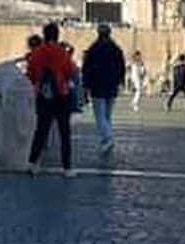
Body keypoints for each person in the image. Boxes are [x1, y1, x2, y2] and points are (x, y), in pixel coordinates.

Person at [26, 22, 77, 178]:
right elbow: (72, 71)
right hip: (61, 95)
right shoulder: (62, 52)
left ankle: (33, 164)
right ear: (57, 35)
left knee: (41, 130)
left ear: (44, 35)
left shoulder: (38, 53)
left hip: (43, 95)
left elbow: (31, 74)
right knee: (64, 132)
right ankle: (66, 168)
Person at [81, 22, 126, 154]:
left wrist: (86, 86)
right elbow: (121, 68)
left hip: (97, 87)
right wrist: (119, 81)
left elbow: (87, 69)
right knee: (107, 115)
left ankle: (108, 138)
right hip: (112, 86)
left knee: (100, 116)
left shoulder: (93, 49)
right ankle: (105, 139)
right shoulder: (116, 49)